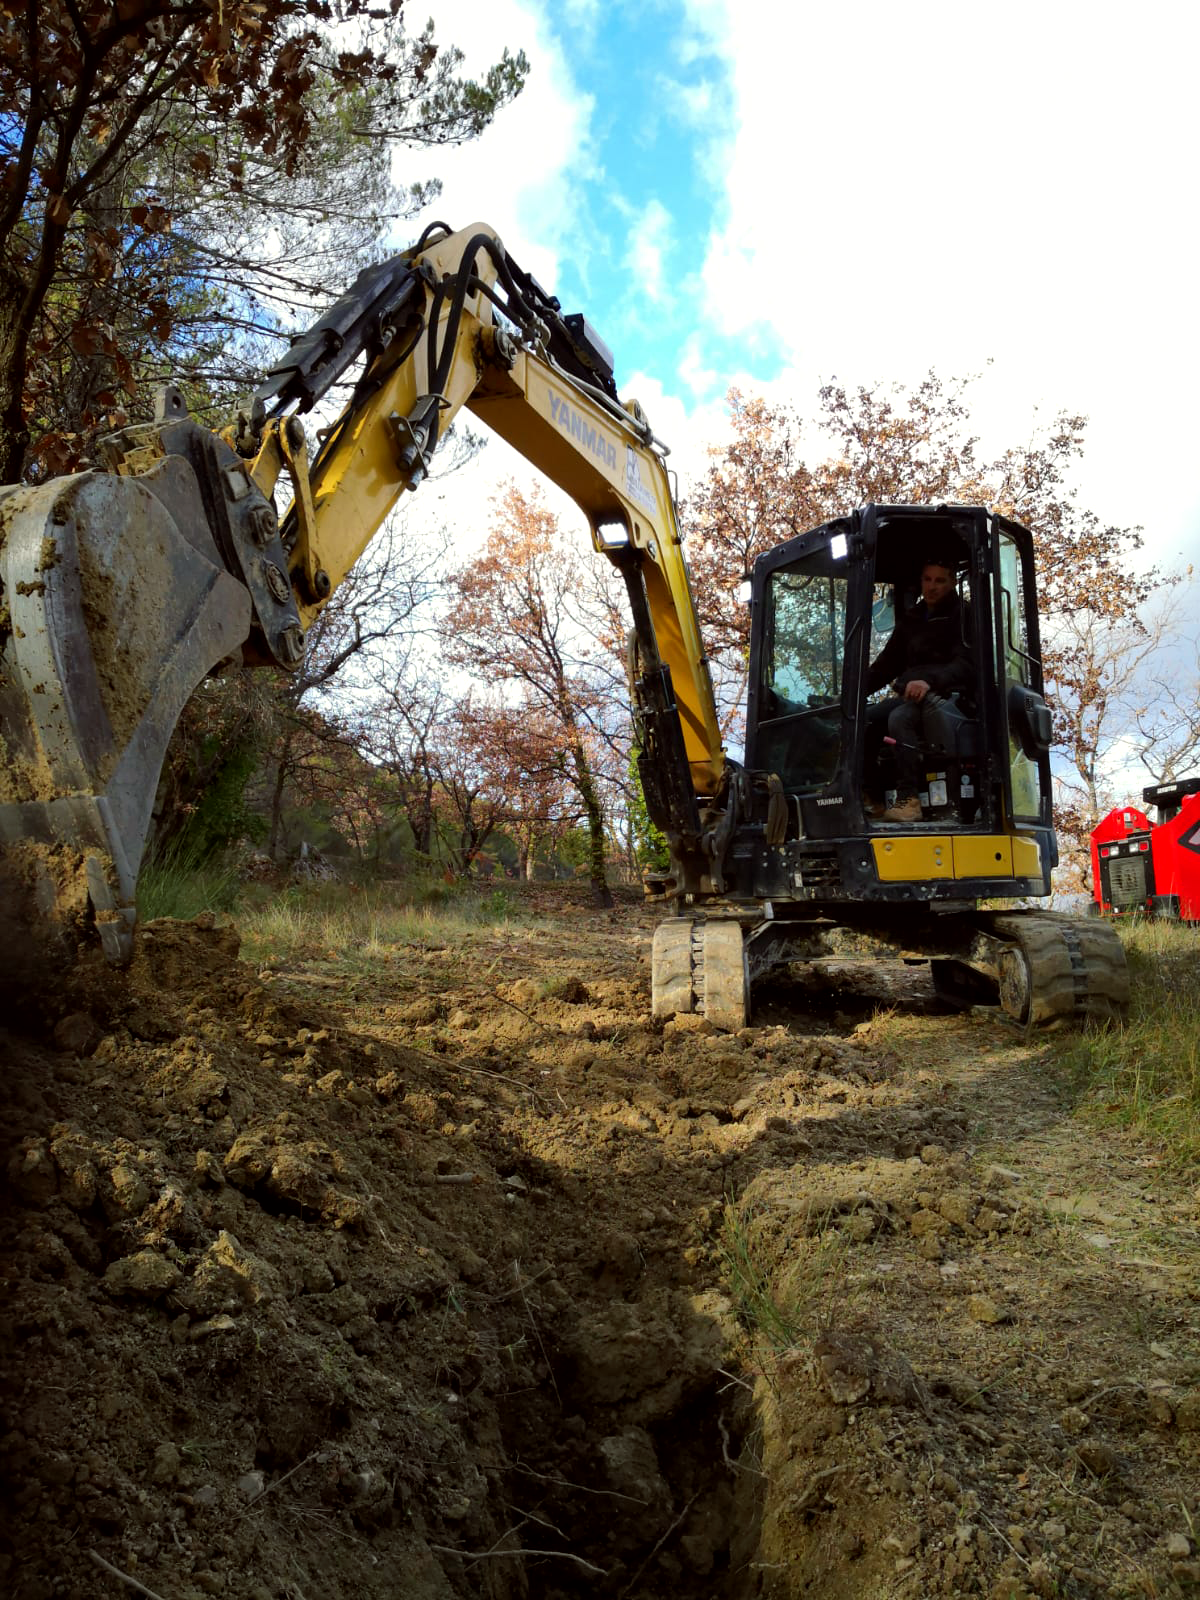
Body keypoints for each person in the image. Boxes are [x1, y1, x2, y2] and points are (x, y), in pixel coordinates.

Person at [864, 559, 972, 823]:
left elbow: (966, 663)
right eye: (927, 579)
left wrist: (930, 682)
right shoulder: (912, 618)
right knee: (864, 719)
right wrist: (851, 692)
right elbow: (886, 665)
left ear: (952, 582)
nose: (932, 587)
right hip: (911, 695)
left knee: (899, 718)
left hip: (950, 696)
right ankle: (872, 798)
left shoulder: (964, 615)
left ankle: (908, 800)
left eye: (940, 580)